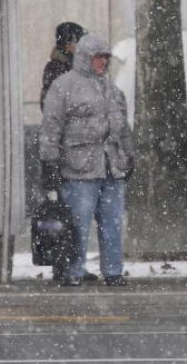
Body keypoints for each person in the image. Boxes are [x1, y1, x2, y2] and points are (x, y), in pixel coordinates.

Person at [40, 33, 134, 287]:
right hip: (79, 169)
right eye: (98, 57)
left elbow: (122, 127)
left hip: (111, 167)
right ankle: (73, 270)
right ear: (85, 58)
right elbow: (51, 128)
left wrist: (128, 155)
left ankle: (113, 270)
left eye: (106, 57)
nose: (103, 62)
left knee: (112, 223)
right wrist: (49, 163)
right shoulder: (63, 86)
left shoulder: (112, 89)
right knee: (78, 225)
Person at [38, 21, 98, 283]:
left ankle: (70, 263)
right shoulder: (59, 70)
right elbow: (53, 110)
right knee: (65, 211)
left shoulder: (70, 69)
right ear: (69, 43)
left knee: (71, 213)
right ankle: (64, 264)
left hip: (70, 149)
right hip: (64, 150)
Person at [40, 21, 86, 110]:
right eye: (79, 42)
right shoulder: (56, 67)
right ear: (67, 44)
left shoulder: (76, 64)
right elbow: (50, 103)